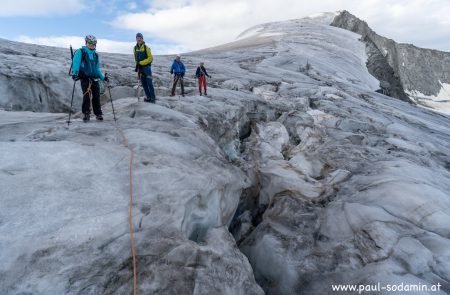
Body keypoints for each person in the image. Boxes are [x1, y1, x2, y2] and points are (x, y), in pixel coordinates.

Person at [71, 35, 108, 121]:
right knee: (87, 95)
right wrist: (75, 73)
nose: (91, 45)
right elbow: (76, 63)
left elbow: (97, 68)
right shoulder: (81, 52)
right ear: (86, 43)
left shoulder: (96, 55)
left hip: (94, 78)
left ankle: (98, 114)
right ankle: (86, 113)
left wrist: (103, 77)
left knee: (96, 96)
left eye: (93, 43)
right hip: (85, 78)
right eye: (90, 43)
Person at [134, 33, 156, 103]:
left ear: (142, 39)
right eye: (137, 38)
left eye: (140, 38)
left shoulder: (146, 47)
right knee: (144, 84)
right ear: (136, 39)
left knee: (149, 83)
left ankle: (153, 98)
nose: (139, 39)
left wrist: (141, 63)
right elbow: (135, 58)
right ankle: (148, 97)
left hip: (147, 68)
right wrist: (137, 65)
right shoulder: (135, 48)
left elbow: (150, 58)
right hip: (140, 69)